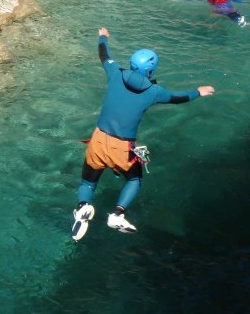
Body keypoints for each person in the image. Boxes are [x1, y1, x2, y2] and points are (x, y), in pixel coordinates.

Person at [72, 28, 216, 241]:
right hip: (122, 148)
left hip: (98, 139)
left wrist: (103, 36)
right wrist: (198, 92)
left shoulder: (115, 73)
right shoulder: (154, 92)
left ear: (131, 65)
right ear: (150, 72)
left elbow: (104, 54)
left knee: (87, 184)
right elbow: (178, 98)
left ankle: (83, 208)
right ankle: (118, 214)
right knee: (135, 179)